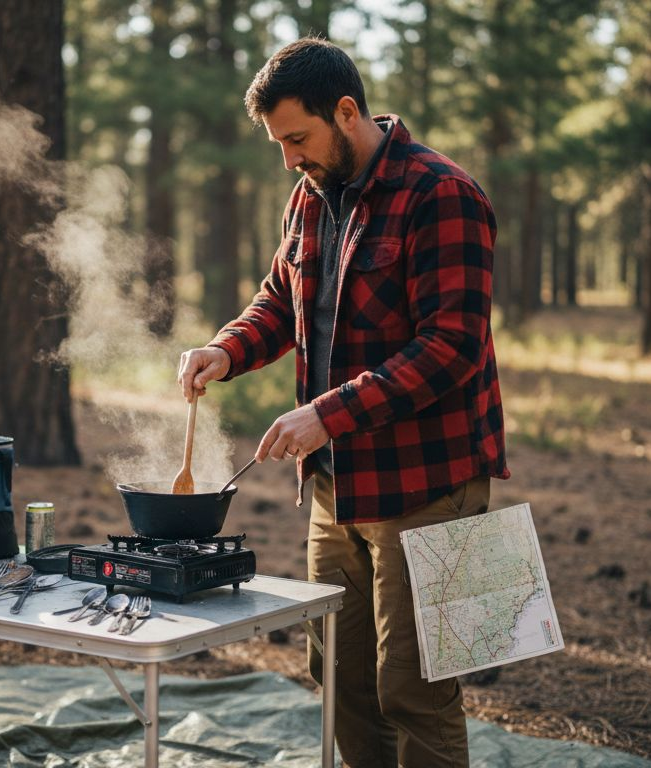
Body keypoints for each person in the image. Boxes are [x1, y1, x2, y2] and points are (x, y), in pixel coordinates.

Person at [176, 38, 509, 768]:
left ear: (348, 111)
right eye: (279, 144)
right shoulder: (309, 194)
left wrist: (328, 412)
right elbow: (279, 300)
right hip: (334, 488)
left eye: (297, 138)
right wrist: (227, 349)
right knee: (339, 679)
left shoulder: (443, 194)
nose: (288, 158)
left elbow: (452, 347)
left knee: (415, 689)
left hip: (431, 486)